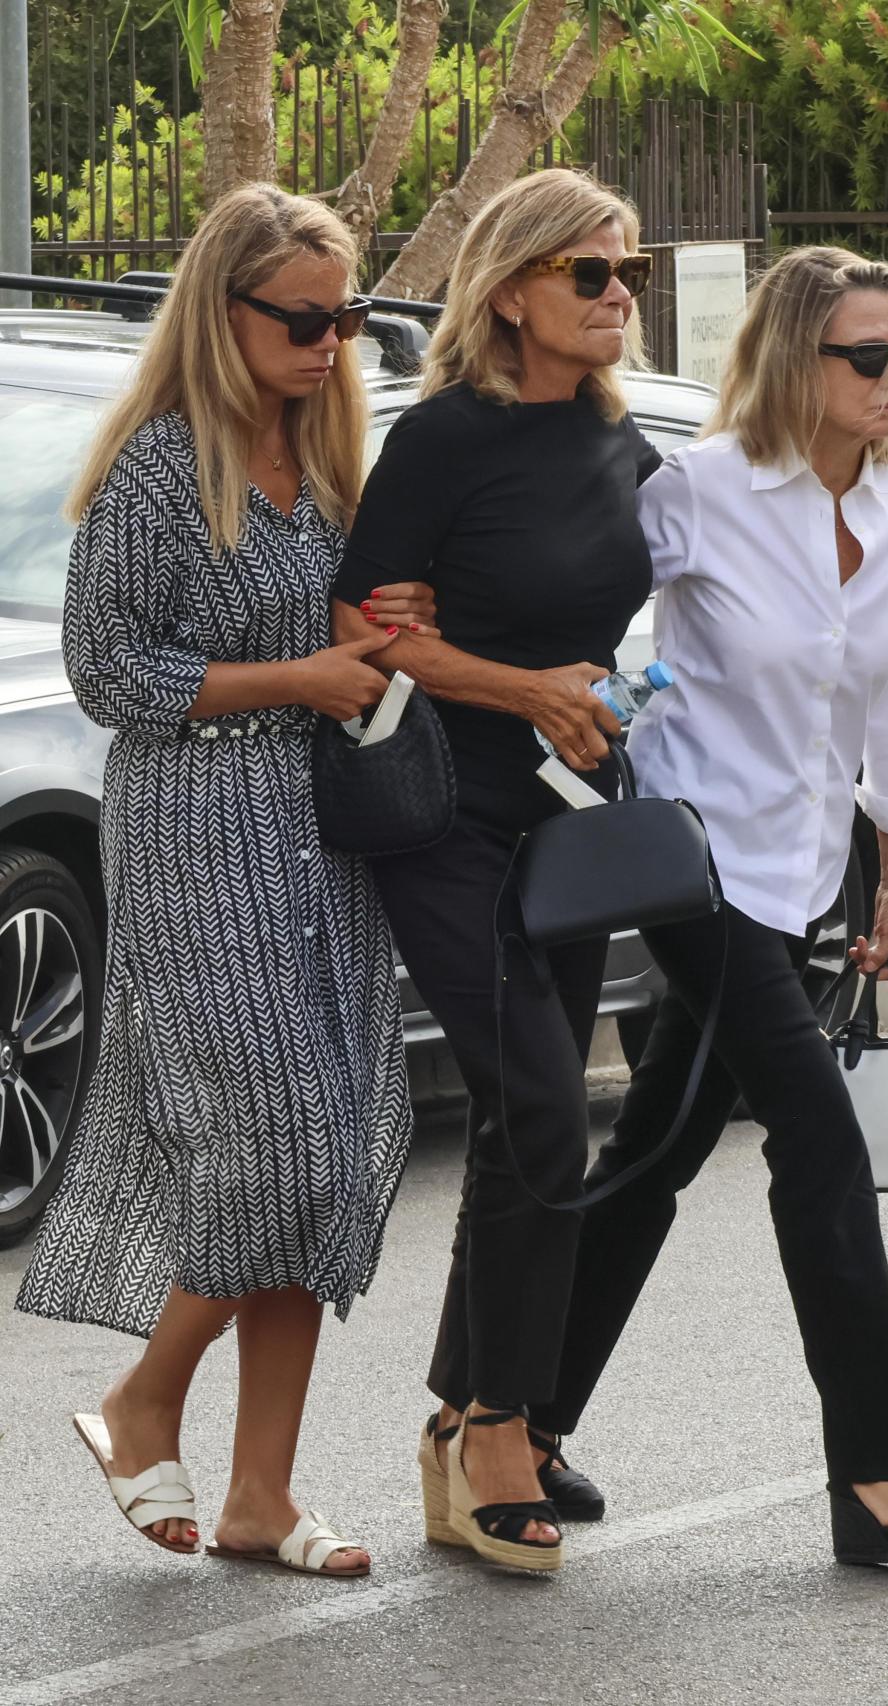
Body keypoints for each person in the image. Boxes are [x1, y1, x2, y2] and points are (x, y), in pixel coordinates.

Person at [15, 183, 437, 1577]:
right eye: (306, 318)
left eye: (349, 316)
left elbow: (345, 641)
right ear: (227, 309)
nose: (333, 341)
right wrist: (291, 677)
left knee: (334, 1157)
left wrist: (383, 632)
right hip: (196, 828)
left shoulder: (326, 458)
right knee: (280, 1142)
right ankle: (142, 1399)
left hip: (321, 830)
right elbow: (108, 671)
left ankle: (261, 1490)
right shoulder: (156, 466)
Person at [525, 245, 888, 1568]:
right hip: (694, 863)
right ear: (795, 361)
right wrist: (588, 730)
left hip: (804, 867)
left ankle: (504, 1410)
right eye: (864, 358)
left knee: (654, 1149)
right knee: (820, 1140)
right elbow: (574, 622)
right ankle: (883, 1476)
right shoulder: (702, 493)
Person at [334, 169, 659, 1573]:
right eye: (591, 272)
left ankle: (468, 1412)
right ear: (512, 286)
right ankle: (501, 1427)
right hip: (446, 817)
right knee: (544, 1104)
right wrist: (521, 688)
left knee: (531, 1118)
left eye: (629, 271)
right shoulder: (444, 439)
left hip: (569, 820)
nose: (618, 296)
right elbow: (369, 625)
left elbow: (653, 616)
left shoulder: (619, 440)